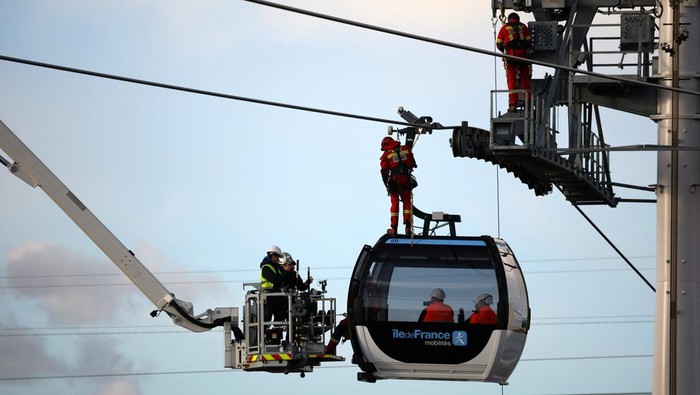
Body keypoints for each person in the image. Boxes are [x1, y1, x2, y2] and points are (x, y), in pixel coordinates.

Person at [380, 136, 417, 235]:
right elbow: (412, 164)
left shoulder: (386, 154)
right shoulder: (406, 149)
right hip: (406, 180)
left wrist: (387, 185)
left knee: (395, 204)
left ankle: (394, 229)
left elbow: (384, 171)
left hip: (395, 181)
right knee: (407, 203)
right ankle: (408, 227)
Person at [496, 12, 533, 112]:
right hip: (523, 56)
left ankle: (513, 104)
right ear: (518, 19)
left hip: (511, 56)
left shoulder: (504, 28)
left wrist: (505, 51)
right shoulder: (523, 27)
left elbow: (499, 43)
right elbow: (529, 42)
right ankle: (528, 102)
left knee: (511, 79)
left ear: (509, 19)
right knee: (525, 78)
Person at [259, 245, 286, 323]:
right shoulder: (266, 268)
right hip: (268, 296)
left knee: (280, 316)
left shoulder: (276, 267)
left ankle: (276, 330)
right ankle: (263, 333)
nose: (279, 259)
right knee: (266, 319)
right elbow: (276, 280)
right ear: (273, 255)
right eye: (278, 257)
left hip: (276, 295)